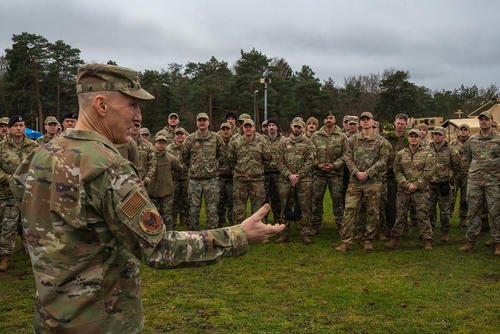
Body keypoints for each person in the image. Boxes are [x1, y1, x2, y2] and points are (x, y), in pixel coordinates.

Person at [10, 63, 284, 332]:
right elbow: (159, 247)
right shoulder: (107, 168)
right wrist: (238, 235)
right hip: (102, 322)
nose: (138, 116)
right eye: (132, 105)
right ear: (101, 105)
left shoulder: (40, 156)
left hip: (50, 320)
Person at [336, 112, 391, 252]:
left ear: (373, 122)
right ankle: (346, 241)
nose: (366, 122)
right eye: (363, 120)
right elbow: (347, 158)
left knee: (372, 211)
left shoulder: (382, 142)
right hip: (355, 181)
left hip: (373, 181)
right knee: (349, 210)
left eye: (368, 119)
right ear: (360, 123)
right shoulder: (352, 140)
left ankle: (368, 239)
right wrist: (356, 172)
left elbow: (383, 160)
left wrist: (368, 173)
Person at [384, 129, 434, 250]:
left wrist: (416, 185)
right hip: (403, 191)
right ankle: (395, 239)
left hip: (420, 191)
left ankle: (427, 240)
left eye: (415, 136)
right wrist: (406, 184)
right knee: (400, 215)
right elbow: (396, 170)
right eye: (411, 136)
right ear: (408, 138)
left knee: (422, 215)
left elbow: (429, 172)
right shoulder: (401, 154)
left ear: (420, 138)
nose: (413, 138)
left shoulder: (428, 153)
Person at [0, 115, 38, 271]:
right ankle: (5, 257)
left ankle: (33, 255)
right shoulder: (1, 147)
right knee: (8, 227)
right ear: (9, 128)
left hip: (29, 194)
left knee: (31, 225)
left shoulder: (34, 146)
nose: (19, 128)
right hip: (8, 193)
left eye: (21, 125)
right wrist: (9, 178)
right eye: (15, 125)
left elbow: (41, 166)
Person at [460, 110, 499, 256]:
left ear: (491, 121)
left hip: (494, 182)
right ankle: (470, 241)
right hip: (475, 181)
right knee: (473, 211)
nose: (483, 122)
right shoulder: (472, 139)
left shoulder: (498, 139)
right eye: (481, 119)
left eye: (486, 119)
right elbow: (467, 157)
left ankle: (497, 242)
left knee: (495, 212)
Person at [182, 112, 227, 230]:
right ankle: (193, 234)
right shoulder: (190, 138)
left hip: (211, 180)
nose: (202, 122)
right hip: (194, 181)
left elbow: (223, 156)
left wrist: (215, 169)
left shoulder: (216, 138)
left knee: (212, 208)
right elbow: (185, 157)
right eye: (199, 120)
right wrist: (194, 168)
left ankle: (213, 234)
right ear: (196, 122)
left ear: (208, 122)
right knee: (193, 208)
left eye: (204, 120)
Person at [275, 117, 316, 244]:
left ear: (303, 128)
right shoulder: (283, 143)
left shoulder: (308, 143)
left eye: (299, 127)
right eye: (295, 126)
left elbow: (311, 161)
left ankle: (305, 233)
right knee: (284, 205)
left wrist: (298, 175)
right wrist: (289, 175)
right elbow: (279, 161)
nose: (297, 129)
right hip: (285, 181)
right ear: (291, 126)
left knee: (305, 206)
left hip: (303, 181)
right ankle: (284, 233)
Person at [228, 119, 272, 224]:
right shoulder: (236, 143)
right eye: (245, 127)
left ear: (254, 128)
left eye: (250, 126)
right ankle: (240, 233)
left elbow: (267, 158)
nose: (248, 128)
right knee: (239, 209)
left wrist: (257, 169)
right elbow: (231, 160)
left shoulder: (261, 142)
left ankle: (258, 232)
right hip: (240, 180)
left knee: (258, 209)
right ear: (242, 128)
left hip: (257, 181)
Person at [311, 111, 347, 235]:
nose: (329, 120)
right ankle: (315, 225)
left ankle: (340, 226)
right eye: (326, 118)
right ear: (323, 121)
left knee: (338, 200)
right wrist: (317, 164)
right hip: (319, 173)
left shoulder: (342, 136)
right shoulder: (316, 136)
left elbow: (346, 155)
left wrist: (334, 165)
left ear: (335, 120)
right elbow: (310, 154)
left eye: (331, 118)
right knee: (316, 200)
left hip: (335, 174)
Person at [428, 126, 461, 242]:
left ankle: (445, 232)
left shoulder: (451, 150)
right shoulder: (426, 148)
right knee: (429, 209)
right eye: (435, 134)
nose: (437, 136)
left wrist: (450, 179)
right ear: (432, 136)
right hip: (430, 185)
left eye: (439, 134)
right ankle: (429, 231)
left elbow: (457, 167)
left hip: (444, 185)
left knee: (445, 211)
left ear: (444, 136)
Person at [146, 134, 181, 230]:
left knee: (167, 217)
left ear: (166, 144)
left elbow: (179, 169)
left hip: (166, 193)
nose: (161, 145)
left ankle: (170, 237)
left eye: (163, 143)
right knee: (152, 218)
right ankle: (154, 237)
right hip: (152, 193)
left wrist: (170, 179)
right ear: (155, 143)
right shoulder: (148, 157)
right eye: (159, 142)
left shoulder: (171, 158)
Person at [382, 113, 409, 239]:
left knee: (404, 202)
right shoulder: (387, 138)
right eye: (398, 123)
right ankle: (390, 226)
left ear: (406, 124)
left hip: (404, 174)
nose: (400, 126)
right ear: (394, 123)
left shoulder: (409, 138)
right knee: (390, 201)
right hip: (390, 174)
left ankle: (403, 226)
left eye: (402, 124)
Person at [166, 127, 190, 227]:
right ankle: (173, 221)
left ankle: (185, 220)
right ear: (174, 136)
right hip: (174, 179)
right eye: (178, 134)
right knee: (174, 200)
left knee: (186, 200)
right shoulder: (169, 148)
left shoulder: (189, 147)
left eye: (182, 134)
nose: (180, 136)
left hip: (186, 179)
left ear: (185, 135)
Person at [449, 124, 471, 227]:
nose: (463, 132)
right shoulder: (452, 144)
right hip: (455, 175)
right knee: (451, 197)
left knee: (465, 198)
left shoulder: (473, 143)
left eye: (465, 130)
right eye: (461, 130)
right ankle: (448, 217)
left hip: (468, 175)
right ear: (458, 132)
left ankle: (463, 218)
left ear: (468, 132)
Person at [264, 118, 285, 224]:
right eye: (269, 125)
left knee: (277, 199)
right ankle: (263, 222)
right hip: (265, 175)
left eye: (273, 125)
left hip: (278, 175)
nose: (271, 127)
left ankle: (278, 221)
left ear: (277, 127)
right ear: (267, 128)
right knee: (264, 200)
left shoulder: (284, 140)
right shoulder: (261, 140)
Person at [217, 122, 234, 227]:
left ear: (231, 130)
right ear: (220, 131)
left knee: (232, 200)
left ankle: (232, 221)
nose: (226, 131)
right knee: (219, 201)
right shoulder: (216, 142)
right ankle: (221, 221)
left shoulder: (235, 141)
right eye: (223, 129)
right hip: (220, 177)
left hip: (232, 177)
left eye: (227, 129)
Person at [130, 121, 157, 186]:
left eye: (137, 126)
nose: (135, 128)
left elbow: (153, 164)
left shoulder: (148, 145)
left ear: (140, 127)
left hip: (142, 181)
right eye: (133, 125)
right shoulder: (122, 141)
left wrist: (146, 180)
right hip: (126, 181)